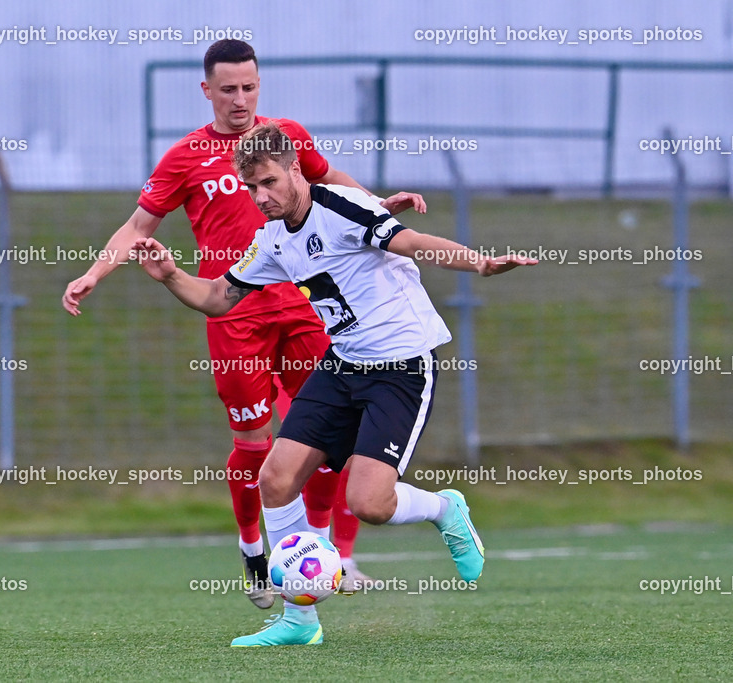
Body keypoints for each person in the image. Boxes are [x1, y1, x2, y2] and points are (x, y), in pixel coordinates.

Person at [134, 122, 538, 647]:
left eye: (270, 182)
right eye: (252, 188)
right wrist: (170, 274)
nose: (261, 197)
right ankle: (299, 622)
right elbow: (218, 298)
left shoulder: (342, 206)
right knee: (276, 479)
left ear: (295, 170)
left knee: (370, 503)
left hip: (400, 366)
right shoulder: (271, 239)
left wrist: (479, 263)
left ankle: (446, 509)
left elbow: (412, 241)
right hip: (342, 363)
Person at [62, 40, 425, 606]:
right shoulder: (185, 157)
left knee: (329, 439)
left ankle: (324, 553)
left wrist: (379, 207)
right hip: (234, 314)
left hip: (307, 307)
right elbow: (137, 227)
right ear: (206, 90)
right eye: (228, 89)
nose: (240, 99)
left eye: (249, 87)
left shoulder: (285, 138)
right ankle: (254, 549)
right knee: (255, 444)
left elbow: (330, 181)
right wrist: (94, 273)